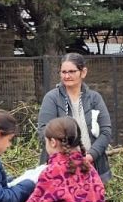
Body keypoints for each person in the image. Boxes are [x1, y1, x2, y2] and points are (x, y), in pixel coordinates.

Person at [37, 53, 113, 183]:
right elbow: (44, 131)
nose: (67, 76)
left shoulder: (95, 98)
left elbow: (106, 131)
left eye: (72, 71)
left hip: (92, 166)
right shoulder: (52, 98)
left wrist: (90, 156)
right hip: (59, 169)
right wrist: (66, 157)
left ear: (83, 72)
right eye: (63, 72)